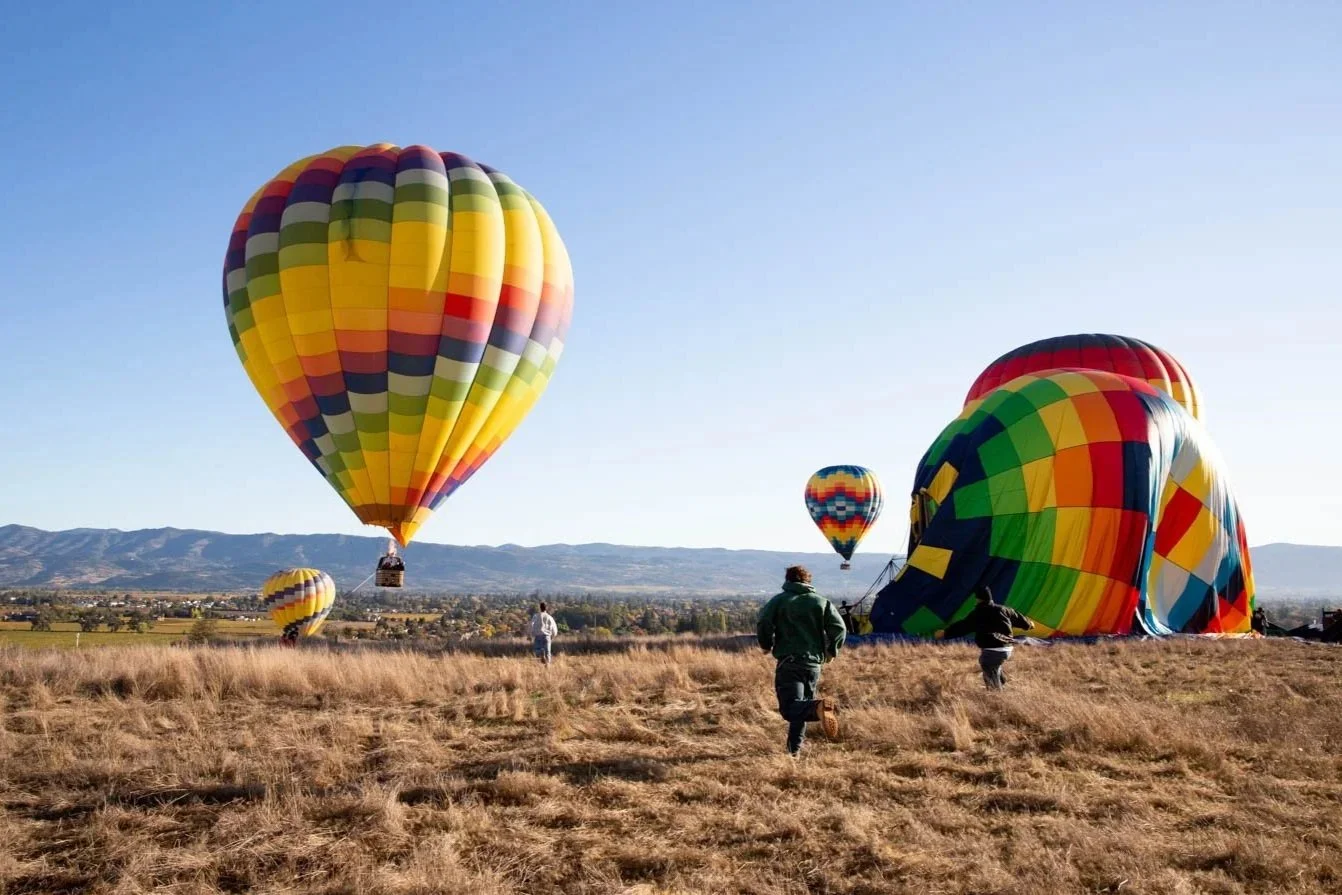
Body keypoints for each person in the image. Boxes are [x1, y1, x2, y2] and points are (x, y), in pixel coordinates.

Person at [757, 565, 846, 756]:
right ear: (808, 581)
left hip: (789, 661)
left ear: (787, 580)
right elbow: (840, 628)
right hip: (814, 664)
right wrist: (832, 651)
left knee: (790, 709)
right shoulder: (821, 602)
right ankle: (793, 752)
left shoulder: (779, 601)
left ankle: (819, 707)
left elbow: (763, 622)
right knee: (800, 707)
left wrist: (766, 644)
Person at [937, 585, 1036, 690]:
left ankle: (997, 696)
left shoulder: (978, 613)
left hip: (992, 650)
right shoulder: (1003, 609)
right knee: (993, 664)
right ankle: (1001, 681)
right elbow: (1018, 618)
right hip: (1007, 648)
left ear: (978, 599)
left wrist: (945, 633)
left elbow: (963, 626)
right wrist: (1029, 624)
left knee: (988, 667)